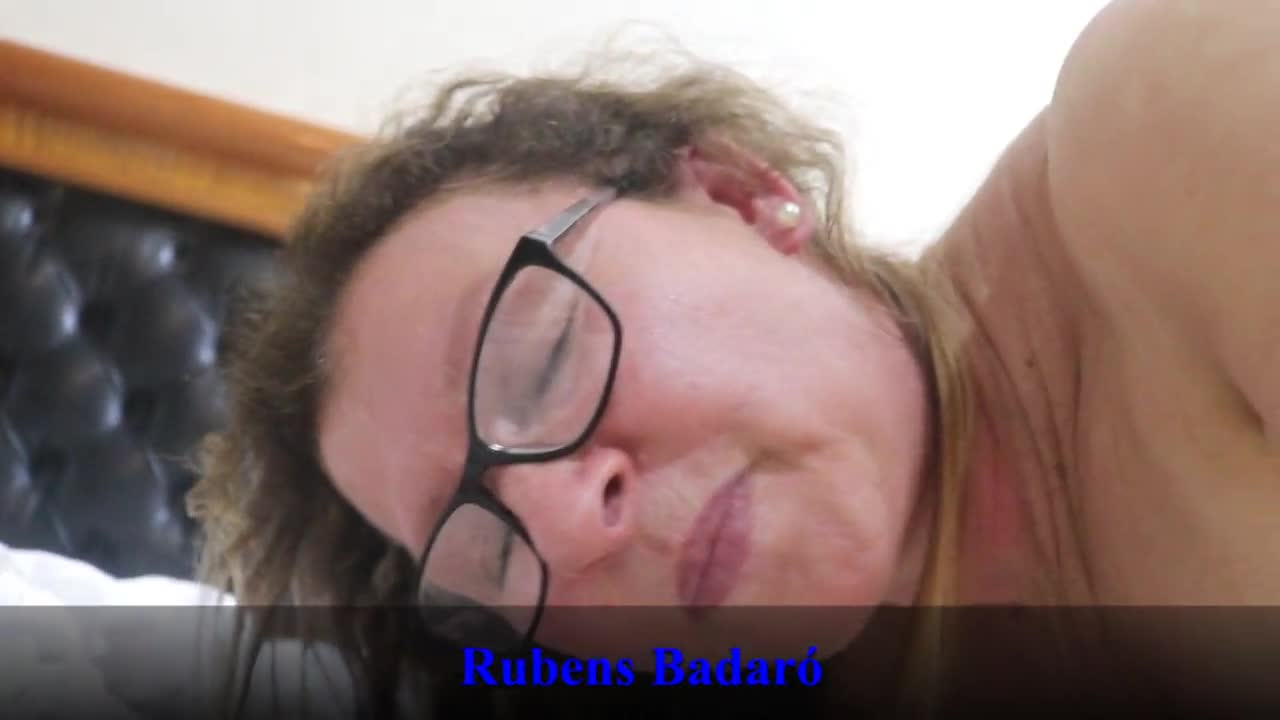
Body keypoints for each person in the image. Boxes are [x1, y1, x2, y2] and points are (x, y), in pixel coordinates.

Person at [190, 0, 1278, 714]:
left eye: (541, 358)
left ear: (740, 194)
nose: (564, 526)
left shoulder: (1159, 124)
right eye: (483, 550)